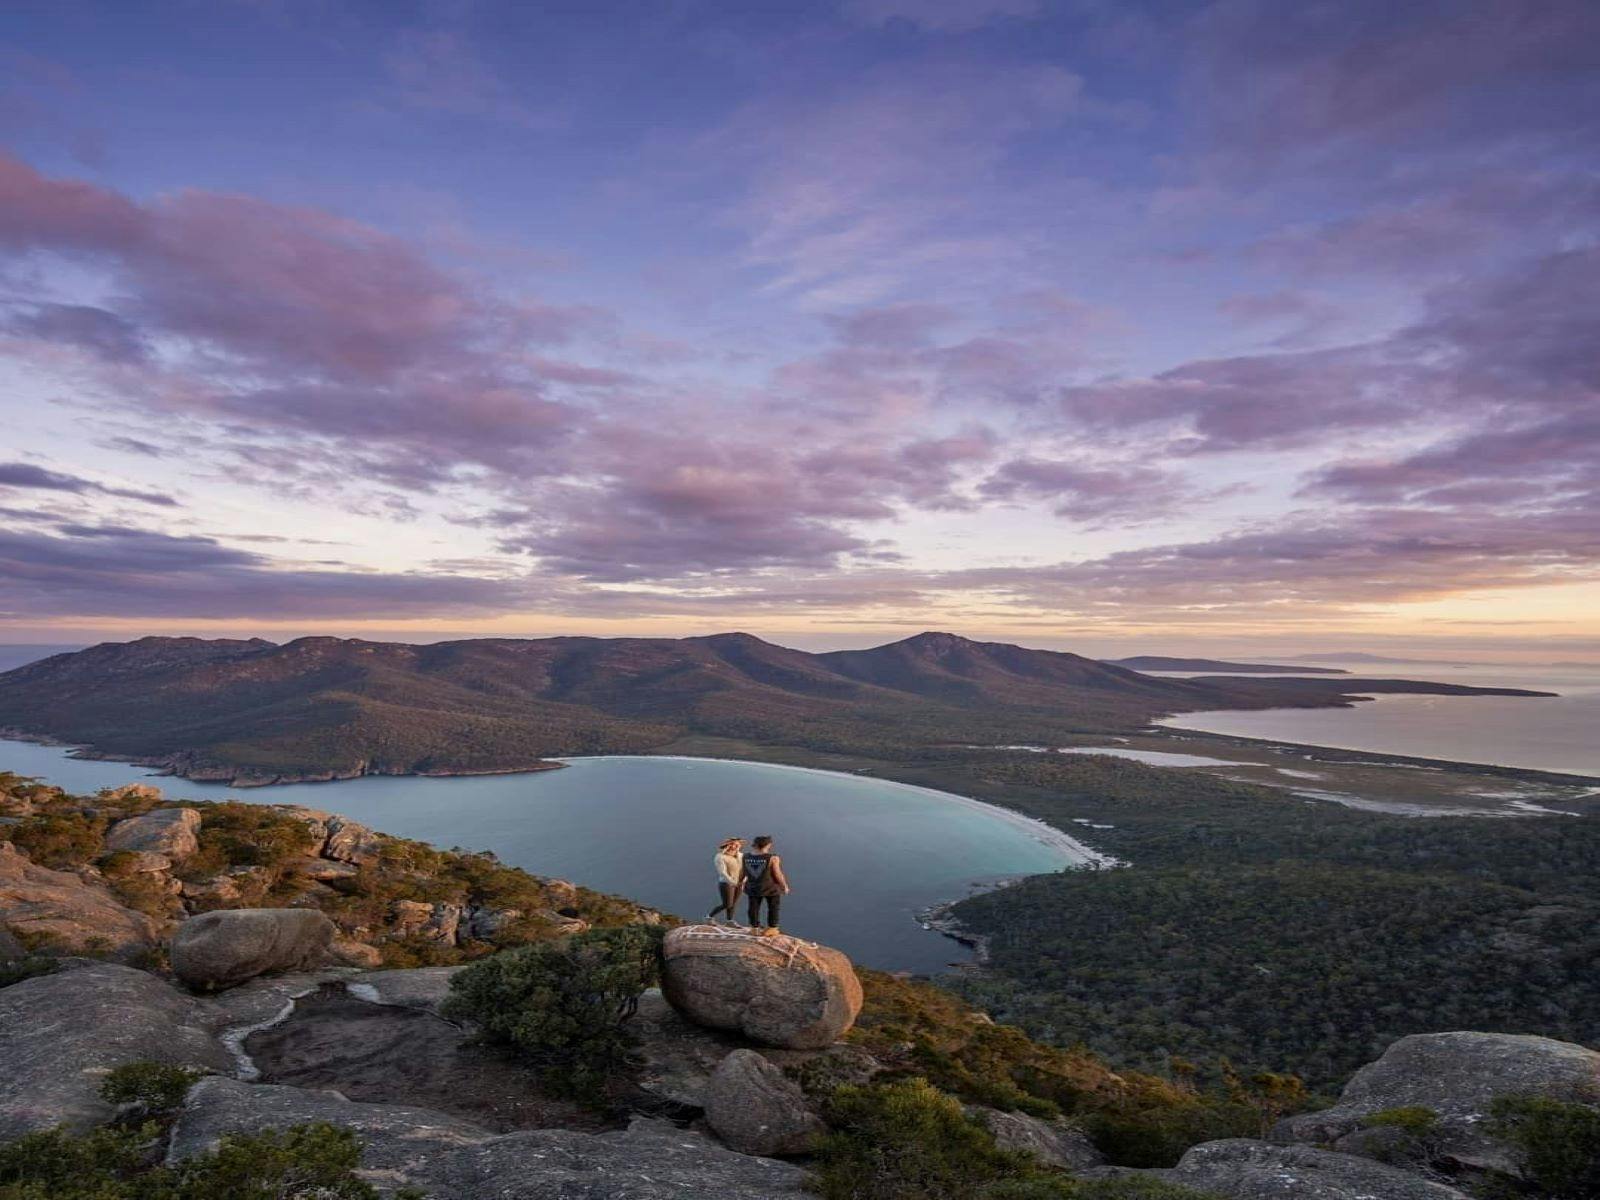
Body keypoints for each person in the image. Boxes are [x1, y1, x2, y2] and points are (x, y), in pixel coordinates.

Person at [740, 835, 790, 935]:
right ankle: (772, 928)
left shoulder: (746, 856)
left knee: (753, 907)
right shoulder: (772, 858)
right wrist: (784, 886)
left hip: (752, 887)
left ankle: (754, 928)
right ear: (768, 845)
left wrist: (740, 882)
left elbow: (743, 872)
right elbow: (777, 874)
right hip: (770, 888)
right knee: (773, 907)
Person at [708, 837, 743, 924]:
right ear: (727, 845)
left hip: (740, 882)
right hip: (726, 883)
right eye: (732, 844)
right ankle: (709, 917)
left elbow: (744, 868)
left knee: (733, 903)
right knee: (727, 904)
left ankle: (729, 920)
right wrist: (732, 882)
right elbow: (722, 872)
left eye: (737, 844)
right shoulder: (720, 857)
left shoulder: (741, 856)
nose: (734, 846)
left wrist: (744, 880)